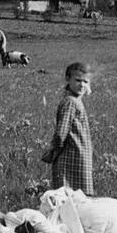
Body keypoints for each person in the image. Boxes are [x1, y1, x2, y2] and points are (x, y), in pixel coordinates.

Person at [44, 62, 94, 195]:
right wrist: (53, 151)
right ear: (67, 79)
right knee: (70, 197)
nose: (82, 84)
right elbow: (61, 132)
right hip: (70, 157)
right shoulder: (70, 102)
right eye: (77, 80)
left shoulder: (74, 100)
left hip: (78, 156)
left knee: (74, 197)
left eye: (85, 81)